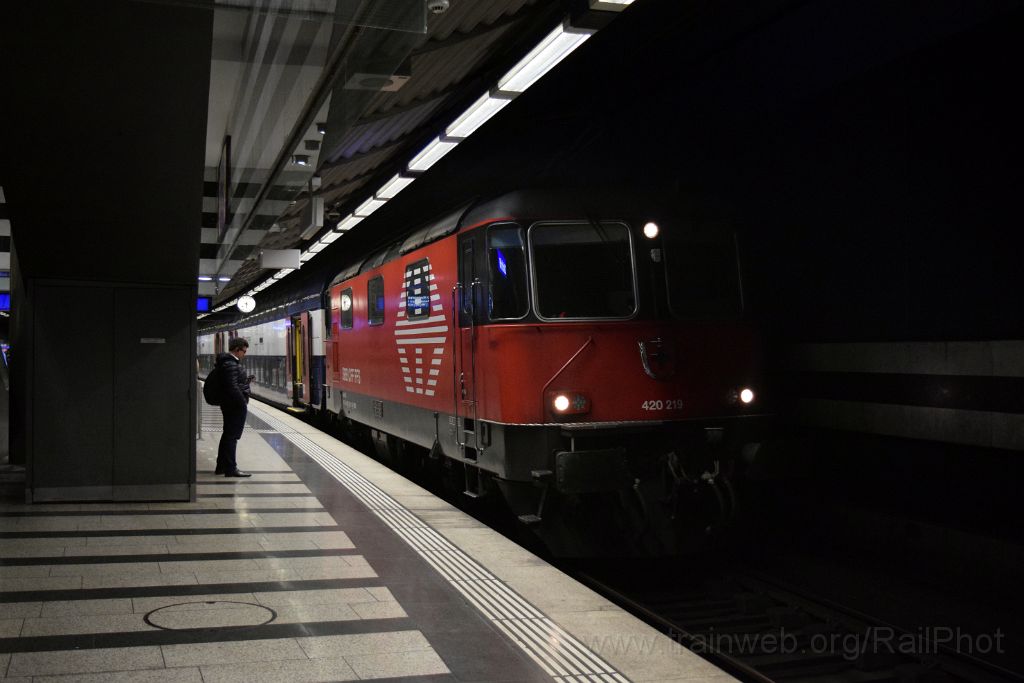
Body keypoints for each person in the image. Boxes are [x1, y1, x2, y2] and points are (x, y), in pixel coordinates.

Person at [215, 337, 253, 477]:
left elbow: (233, 383)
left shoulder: (228, 363)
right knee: (231, 437)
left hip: (230, 404)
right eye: (243, 351)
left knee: (227, 435)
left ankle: (221, 466)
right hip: (233, 406)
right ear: (237, 350)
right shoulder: (230, 364)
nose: (245, 354)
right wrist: (242, 402)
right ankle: (231, 468)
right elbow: (232, 387)